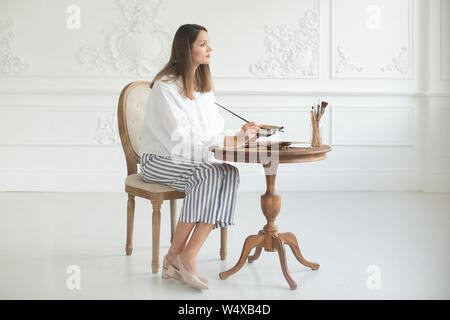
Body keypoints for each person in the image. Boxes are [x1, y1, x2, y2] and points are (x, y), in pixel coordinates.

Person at [139, 24, 262, 289]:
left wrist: (240, 133)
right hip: (158, 161)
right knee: (208, 173)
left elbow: (213, 131)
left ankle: (180, 256)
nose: (210, 48)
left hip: (190, 160)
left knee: (229, 172)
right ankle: (181, 257)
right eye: (203, 44)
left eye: (209, 43)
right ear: (187, 48)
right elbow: (181, 137)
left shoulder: (202, 87)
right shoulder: (165, 86)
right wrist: (230, 141)